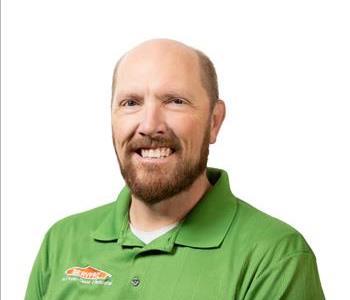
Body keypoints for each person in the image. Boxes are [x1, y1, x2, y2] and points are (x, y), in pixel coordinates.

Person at [25, 39, 325, 299]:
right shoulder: (62, 241)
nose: (149, 125)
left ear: (214, 122)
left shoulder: (274, 257)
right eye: (131, 103)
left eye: (175, 101)